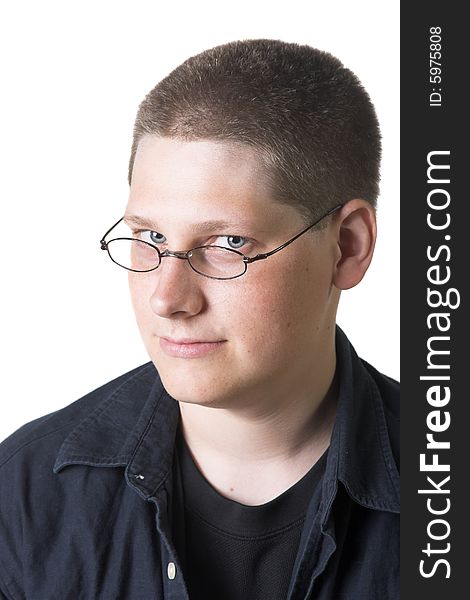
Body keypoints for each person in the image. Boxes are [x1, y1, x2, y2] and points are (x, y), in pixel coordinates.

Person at [0, 39, 399, 599]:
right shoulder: (23, 494)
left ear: (348, 247)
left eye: (226, 243)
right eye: (151, 237)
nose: (167, 298)